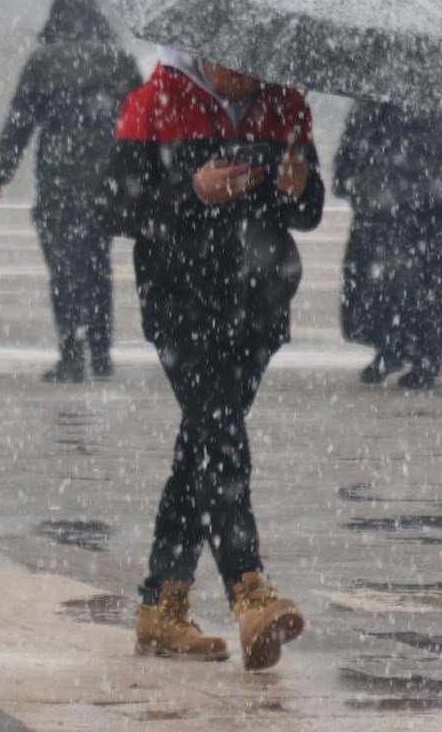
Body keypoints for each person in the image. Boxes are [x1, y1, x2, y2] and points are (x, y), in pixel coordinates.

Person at [105, 48, 323, 671]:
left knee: (202, 442)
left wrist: (298, 190)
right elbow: (118, 208)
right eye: (238, 65)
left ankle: (161, 607)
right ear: (206, 51)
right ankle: (248, 589)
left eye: (259, 65)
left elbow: (307, 214)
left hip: (258, 304)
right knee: (219, 436)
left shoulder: (287, 104)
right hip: (181, 305)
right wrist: (191, 191)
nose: (249, 78)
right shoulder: (153, 103)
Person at [0, 0, 142, 382]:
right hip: (106, 181)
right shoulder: (119, 60)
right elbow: (143, 120)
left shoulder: (43, 63)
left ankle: (72, 356)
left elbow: (20, 122)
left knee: (64, 271)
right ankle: (102, 355)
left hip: (59, 181)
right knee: (97, 267)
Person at [334, 100, 442, 389]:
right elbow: (353, 147)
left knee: (419, 286)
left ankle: (421, 358)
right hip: (386, 206)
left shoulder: (436, 107)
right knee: (383, 286)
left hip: (421, 210)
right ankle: (394, 350)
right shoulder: (375, 103)